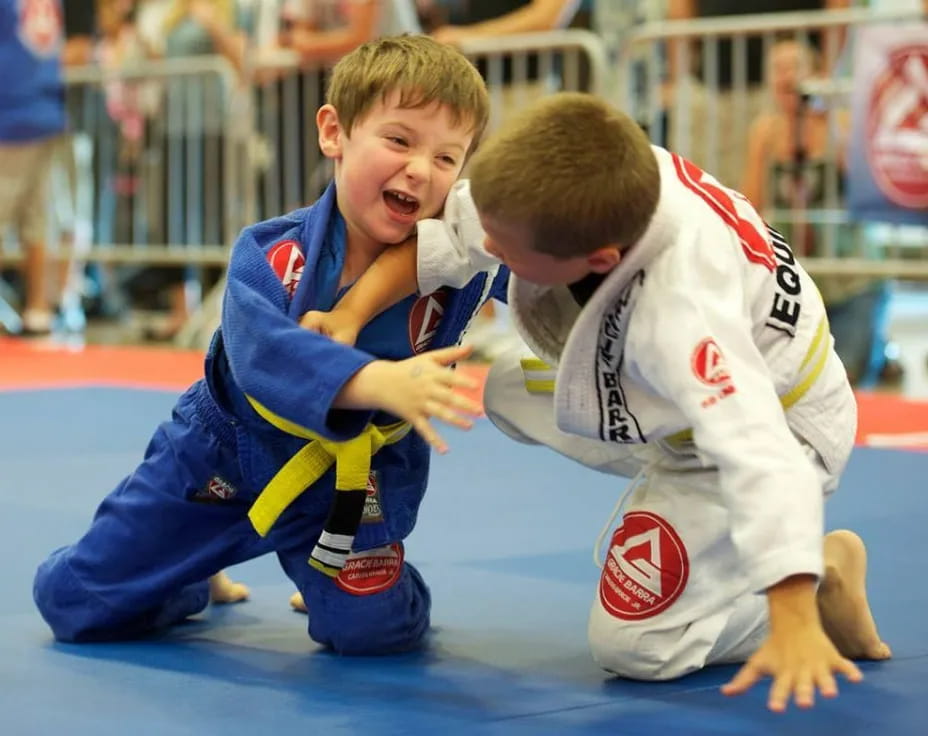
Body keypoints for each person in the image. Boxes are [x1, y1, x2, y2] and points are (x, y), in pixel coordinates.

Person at [301, 92, 892, 711]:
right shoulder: (580, 180)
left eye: (506, 249)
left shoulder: (682, 314)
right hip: (669, 400)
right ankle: (697, 517)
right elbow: (454, 236)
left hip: (780, 428)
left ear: (600, 260)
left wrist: (791, 608)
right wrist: (349, 313)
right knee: (505, 387)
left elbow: (761, 455)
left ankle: (821, 576)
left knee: (636, 648)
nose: (492, 253)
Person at [33, 35, 503, 654]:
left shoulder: (461, 259)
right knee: (73, 600)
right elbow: (262, 355)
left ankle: (330, 572)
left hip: (347, 479)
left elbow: (549, 259)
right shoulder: (271, 253)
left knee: (374, 632)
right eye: (399, 140)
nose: (421, 168)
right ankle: (189, 577)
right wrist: (372, 382)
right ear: (334, 132)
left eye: (448, 157)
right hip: (221, 457)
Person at [741, 37, 898, 386]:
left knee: (851, 382)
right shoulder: (765, 131)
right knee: (797, 385)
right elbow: (751, 202)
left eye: (793, 67)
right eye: (776, 69)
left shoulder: (841, 121)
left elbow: (865, 188)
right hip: (799, 282)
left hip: (853, 277)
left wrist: (828, 125)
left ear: (815, 75)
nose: (785, 77)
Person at [0, 0, 68, 337]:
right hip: (44, 110)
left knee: (24, 215)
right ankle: (38, 306)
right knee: (37, 218)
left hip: (10, 113)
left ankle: (38, 305)